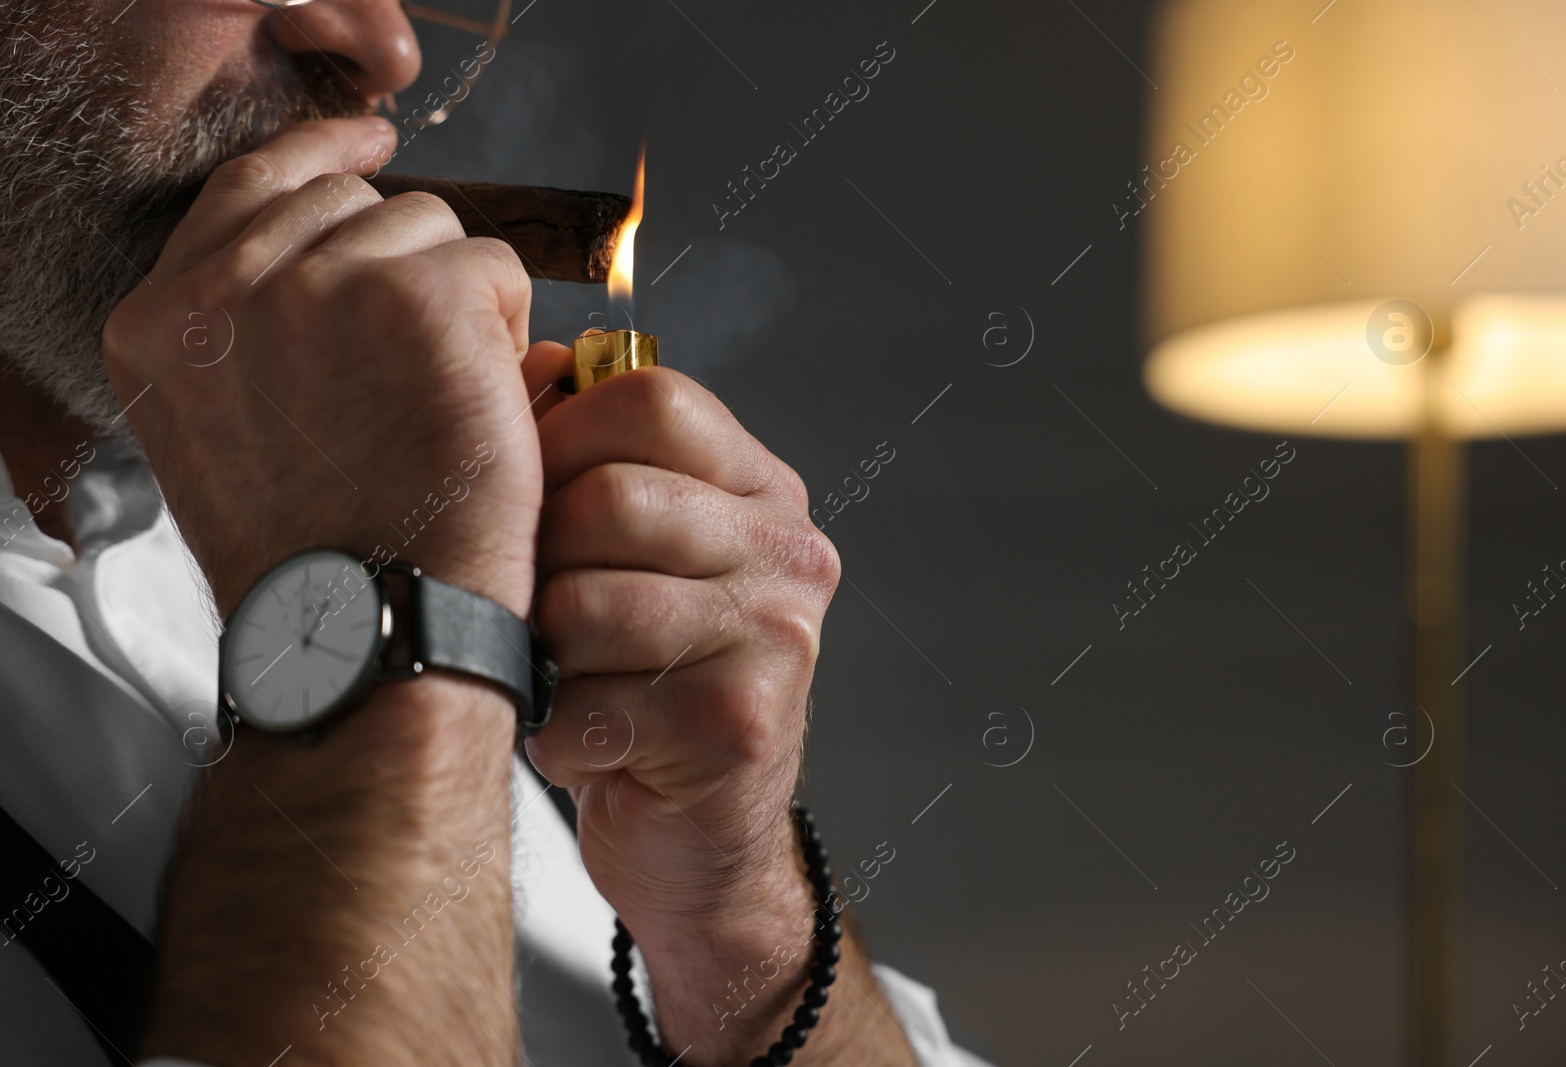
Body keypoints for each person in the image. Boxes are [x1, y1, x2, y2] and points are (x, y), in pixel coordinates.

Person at [0, 1, 991, 1065]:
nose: (388, 50)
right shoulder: (406, 563)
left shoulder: (348, 509)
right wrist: (389, 621)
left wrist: (738, 921)